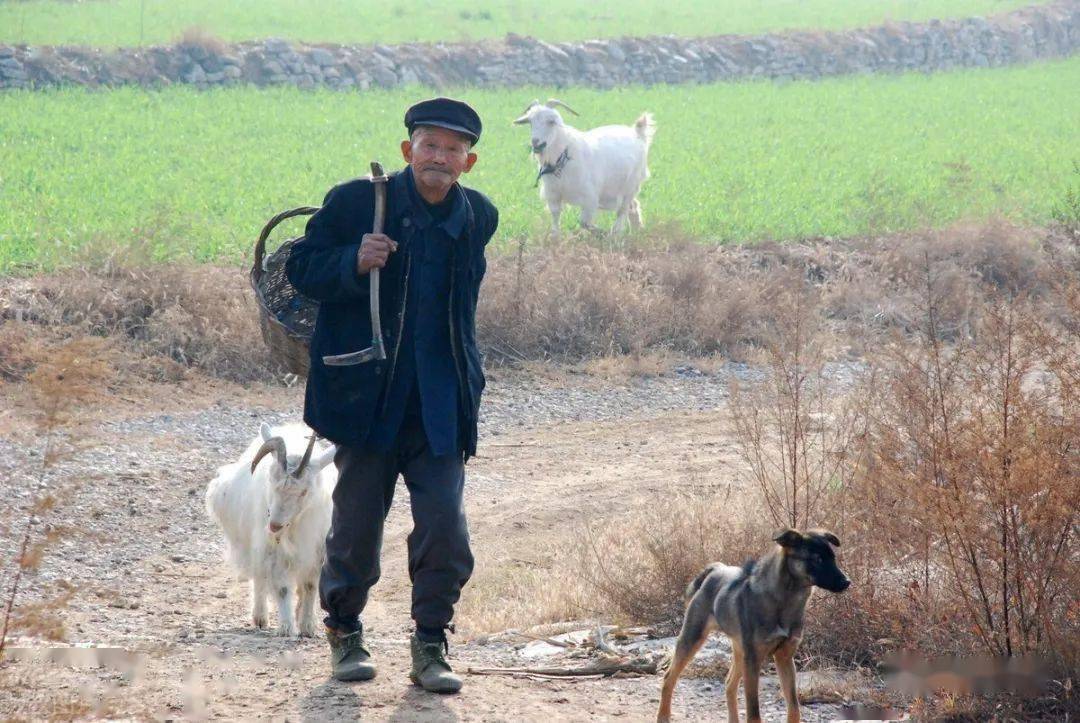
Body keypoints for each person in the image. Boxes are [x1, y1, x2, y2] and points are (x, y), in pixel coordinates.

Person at [285, 97, 498, 693]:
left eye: (453, 149)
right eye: (430, 145)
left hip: (441, 405)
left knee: (446, 530)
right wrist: (351, 260)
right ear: (409, 150)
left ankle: (430, 644)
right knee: (355, 530)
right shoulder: (357, 203)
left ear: (469, 162)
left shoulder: (478, 216)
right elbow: (300, 268)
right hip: (368, 403)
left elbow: (462, 314)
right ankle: (344, 631)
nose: (440, 157)